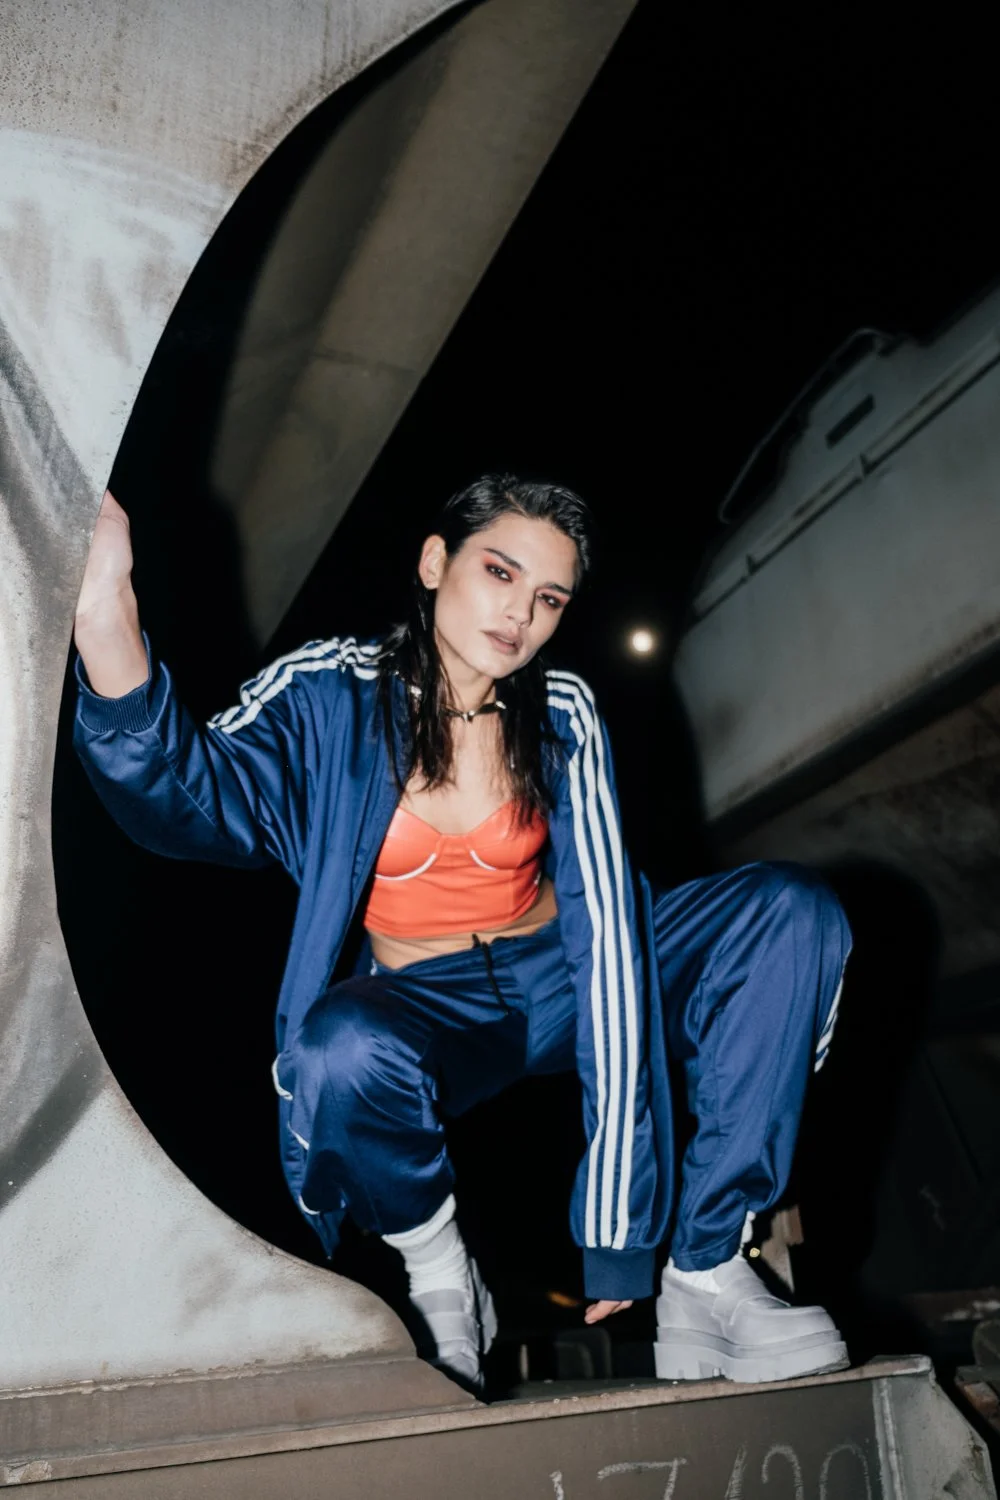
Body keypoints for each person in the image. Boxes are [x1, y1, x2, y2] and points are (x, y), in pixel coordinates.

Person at [73, 476, 850, 1393]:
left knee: (788, 913)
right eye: (500, 573)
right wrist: (105, 604)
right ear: (435, 562)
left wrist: (618, 1229)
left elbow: (608, 947)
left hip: (564, 976)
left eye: (549, 598)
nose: (520, 614)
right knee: (334, 1049)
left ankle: (709, 1274)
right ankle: (441, 1275)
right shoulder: (330, 691)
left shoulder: (561, 713)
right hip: (430, 1003)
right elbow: (188, 796)